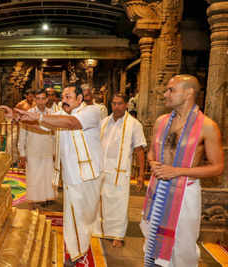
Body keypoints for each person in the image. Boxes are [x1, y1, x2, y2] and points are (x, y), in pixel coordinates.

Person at [8, 84, 103, 267]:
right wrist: (17, 117)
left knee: (83, 216)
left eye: (69, 96)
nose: (64, 100)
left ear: (80, 99)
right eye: (63, 96)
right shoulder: (61, 116)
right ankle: (75, 254)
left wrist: (40, 117)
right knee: (72, 216)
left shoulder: (92, 111)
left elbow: (71, 123)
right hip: (71, 175)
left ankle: (78, 251)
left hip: (87, 175)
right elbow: (43, 126)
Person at [142, 74, 224, 267]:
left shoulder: (207, 126)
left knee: (183, 247)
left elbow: (218, 167)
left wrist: (177, 171)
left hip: (185, 193)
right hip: (158, 189)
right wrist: (152, 163)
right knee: (152, 241)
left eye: (172, 90)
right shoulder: (161, 121)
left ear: (189, 93)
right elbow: (151, 153)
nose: (166, 94)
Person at [92, 93, 146, 248]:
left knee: (118, 204)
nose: (116, 107)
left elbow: (139, 150)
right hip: (101, 168)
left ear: (126, 105)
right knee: (100, 202)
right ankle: (100, 230)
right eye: (114, 103)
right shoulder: (103, 122)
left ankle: (117, 235)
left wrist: (141, 175)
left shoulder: (134, 124)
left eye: (120, 103)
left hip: (120, 170)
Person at [18, 89, 56, 208]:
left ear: (46, 99)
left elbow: (55, 135)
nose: (40, 101)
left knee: (47, 175)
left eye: (43, 98)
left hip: (48, 150)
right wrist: (22, 153)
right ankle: (34, 199)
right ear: (35, 99)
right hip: (33, 150)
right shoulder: (28, 113)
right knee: (34, 176)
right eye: (38, 98)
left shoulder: (51, 113)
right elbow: (22, 135)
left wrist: (56, 151)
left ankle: (46, 197)